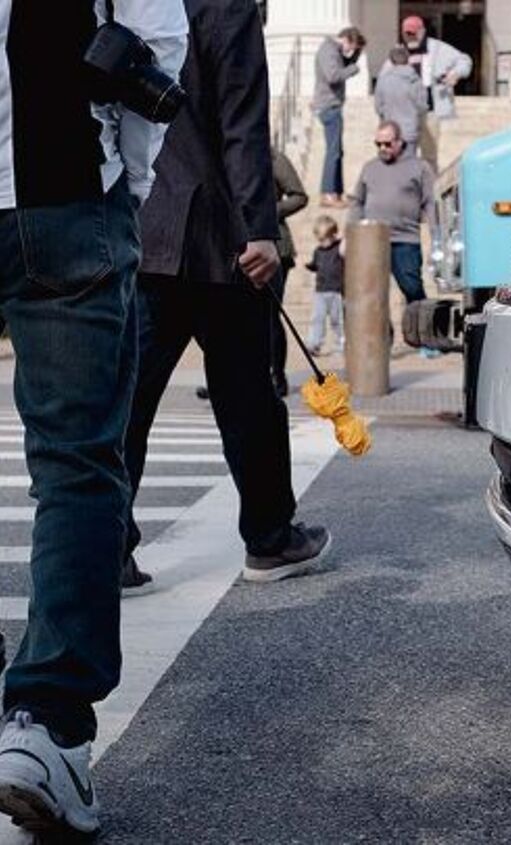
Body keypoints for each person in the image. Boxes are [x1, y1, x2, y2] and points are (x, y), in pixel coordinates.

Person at [0, 0, 187, 836]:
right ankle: (45, 728)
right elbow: (158, 40)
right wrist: (128, 182)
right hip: (66, 190)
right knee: (76, 463)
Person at [124, 0, 330, 595]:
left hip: (145, 225)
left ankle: (108, 550)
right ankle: (269, 538)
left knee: (127, 402)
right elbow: (243, 121)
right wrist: (260, 227)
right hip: (220, 236)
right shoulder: (227, 7)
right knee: (248, 401)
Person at [348, 121, 435, 308]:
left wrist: (436, 237)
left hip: (405, 240)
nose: (382, 148)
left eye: (387, 144)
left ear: (400, 142)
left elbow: (430, 202)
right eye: (378, 144)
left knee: (412, 289)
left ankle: (421, 325)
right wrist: (350, 235)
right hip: (372, 240)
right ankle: (380, 328)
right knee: (371, 294)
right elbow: (357, 202)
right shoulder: (369, 167)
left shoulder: (419, 167)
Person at [398, 15, 473, 171]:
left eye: (413, 33)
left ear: (422, 32)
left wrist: (456, 73)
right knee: (404, 154)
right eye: (407, 33)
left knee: (429, 156)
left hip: (429, 110)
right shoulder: (399, 51)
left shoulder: (438, 48)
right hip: (407, 111)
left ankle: (430, 184)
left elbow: (465, 60)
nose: (410, 37)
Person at [270, 147, 309, 398]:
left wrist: (267, 210)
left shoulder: (274, 158)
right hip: (232, 245)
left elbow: (299, 196)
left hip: (275, 247)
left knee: (269, 315)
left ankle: (277, 377)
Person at [313, 26, 367, 209]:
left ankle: (337, 192)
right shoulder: (328, 51)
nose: (350, 51)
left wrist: (356, 53)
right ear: (346, 39)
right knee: (333, 152)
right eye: (351, 47)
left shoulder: (334, 51)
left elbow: (342, 65)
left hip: (332, 105)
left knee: (337, 151)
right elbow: (333, 76)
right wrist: (353, 69)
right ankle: (328, 193)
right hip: (329, 106)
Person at [374, 46, 428, 158]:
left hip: (389, 132)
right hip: (409, 130)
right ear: (408, 59)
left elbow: (378, 107)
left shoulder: (383, 80)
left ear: (391, 61)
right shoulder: (415, 80)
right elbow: (422, 106)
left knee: (390, 165)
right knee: (409, 164)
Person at [306, 216, 345, 356]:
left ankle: (342, 344)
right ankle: (314, 344)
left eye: (325, 239)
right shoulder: (318, 251)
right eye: (320, 240)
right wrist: (311, 266)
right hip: (320, 291)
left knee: (337, 320)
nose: (322, 243)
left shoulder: (339, 249)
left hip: (337, 291)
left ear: (333, 235)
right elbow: (316, 265)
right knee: (317, 318)